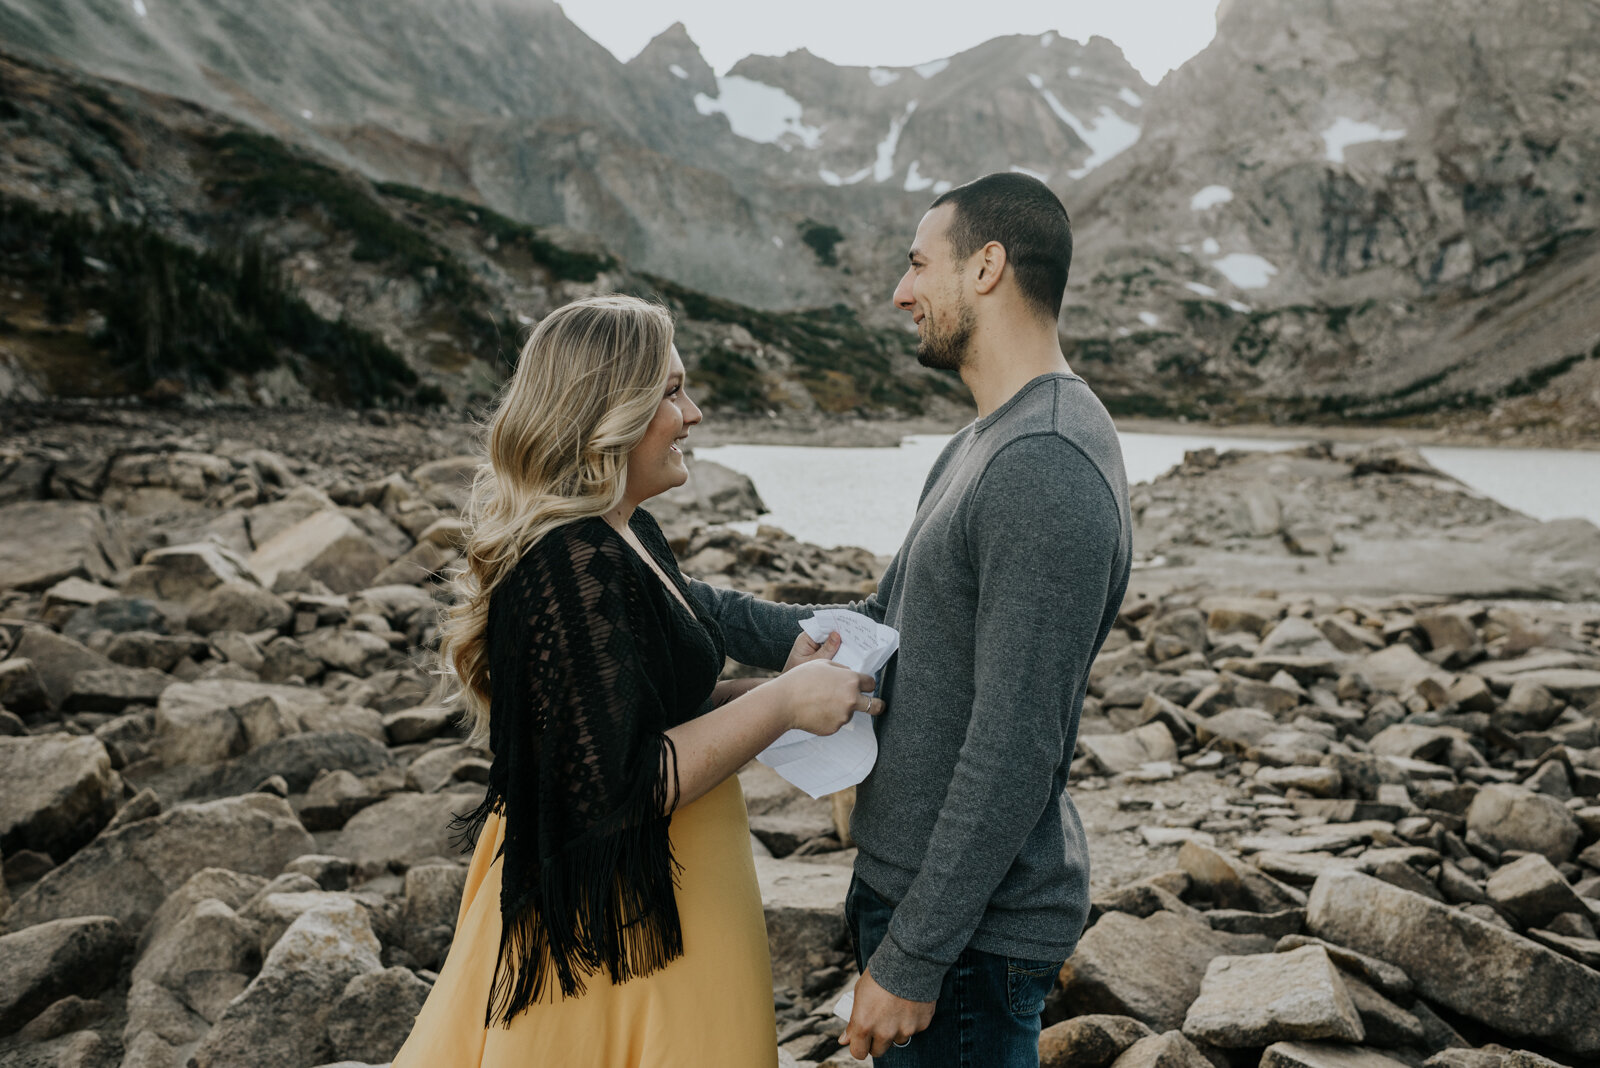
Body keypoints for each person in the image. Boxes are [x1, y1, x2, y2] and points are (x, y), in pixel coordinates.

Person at [691, 172, 1132, 1066]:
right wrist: (677, 601)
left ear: (987, 268)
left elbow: (1015, 746)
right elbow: (872, 633)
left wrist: (917, 958)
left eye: (918, 264)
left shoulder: (1042, 461)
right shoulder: (981, 443)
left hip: (967, 939)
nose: (901, 293)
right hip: (919, 899)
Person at [391, 294, 880, 1067]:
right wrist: (784, 700)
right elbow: (621, 782)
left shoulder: (628, 532)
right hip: (618, 929)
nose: (693, 413)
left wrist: (778, 694)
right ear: (606, 413)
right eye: (671, 392)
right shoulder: (568, 562)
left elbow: (649, 708)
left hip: (679, 893)